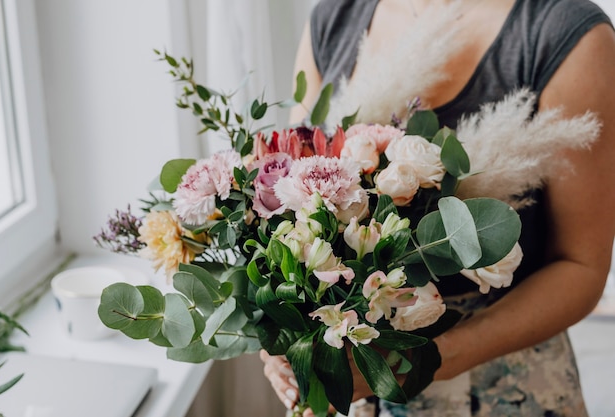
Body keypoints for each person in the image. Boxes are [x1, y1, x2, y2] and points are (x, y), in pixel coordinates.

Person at [260, 0, 615, 416]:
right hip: (347, 376)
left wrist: (424, 361)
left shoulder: (565, 33)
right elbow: (287, 198)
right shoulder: (335, 16)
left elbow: (580, 266)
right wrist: (283, 333)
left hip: (496, 381)